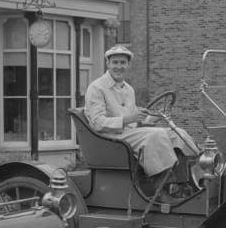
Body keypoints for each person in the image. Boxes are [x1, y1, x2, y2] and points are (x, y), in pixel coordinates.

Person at [83, 44, 200, 184]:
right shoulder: (97, 88)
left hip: (128, 133)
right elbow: (98, 123)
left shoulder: (128, 89)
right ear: (108, 63)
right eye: (115, 62)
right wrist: (129, 119)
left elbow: (134, 121)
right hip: (110, 137)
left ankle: (184, 181)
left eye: (123, 63)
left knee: (177, 133)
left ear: (128, 65)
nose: (119, 67)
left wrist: (151, 119)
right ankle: (161, 186)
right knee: (156, 135)